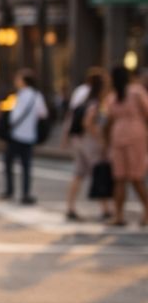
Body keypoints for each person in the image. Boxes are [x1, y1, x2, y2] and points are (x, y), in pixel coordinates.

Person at [63, 69, 110, 222]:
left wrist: (66, 136)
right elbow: (87, 122)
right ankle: (105, 208)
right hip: (89, 141)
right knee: (98, 172)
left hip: (78, 139)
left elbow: (71, 116)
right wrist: (100, 137)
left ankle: (70, 207)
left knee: (78, 173)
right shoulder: (95, 102)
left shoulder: (83, 96)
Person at [104, 64, 148, 227]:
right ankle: (119, 215)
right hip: (129, 136)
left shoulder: (131, 93)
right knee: (122, 178)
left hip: (129, 137)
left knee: (133, 178)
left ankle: (143, 211)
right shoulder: (118, 94)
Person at [0, 69, 48, 205]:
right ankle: (25, 193)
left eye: (18, 79)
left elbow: (13, 114)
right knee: (26, 166)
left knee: (9, 163)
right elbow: (43, 114)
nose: (16, 81)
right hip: (29, 135)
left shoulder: (21, 95)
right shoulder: (36, 96)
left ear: (24, 81)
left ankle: (10, 190)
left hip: (16, 134)